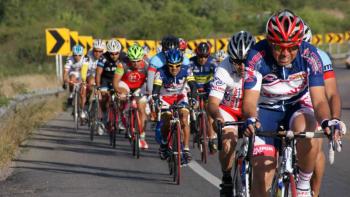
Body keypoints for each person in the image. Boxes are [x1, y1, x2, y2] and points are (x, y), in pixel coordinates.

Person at [242, 10, 343, 197]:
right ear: (270, 43)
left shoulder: (310, 55)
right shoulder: (256, 55)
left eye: (292, 47)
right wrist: (250, 118)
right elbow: (249, 101)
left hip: (295, 105)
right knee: (261, 178)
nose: (285, 53)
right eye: (279, 47)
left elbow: (319, 100)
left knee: (309, 127)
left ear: (300, 43)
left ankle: (304, 184)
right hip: (265, 109)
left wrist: (328, 121)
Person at [208, 31, 255, 197]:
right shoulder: (223, 69)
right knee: (229, 141)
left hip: (253, 110)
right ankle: (227, 177)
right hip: (229, 111)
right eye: (237, 62)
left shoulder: (261, 66)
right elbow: (213, 103)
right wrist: (218, 117)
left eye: (246, 62)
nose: (242, 67)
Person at [302, 23, 346, 197]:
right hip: (291, 101)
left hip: (314, 101)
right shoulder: (283, 56)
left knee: (316, 145)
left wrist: (334, 118)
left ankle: (315, 192)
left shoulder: (320, 57)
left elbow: (332, 93)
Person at [152, 48, 197, 163]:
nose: (174, 69)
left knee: (184, 118)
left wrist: (193, 98)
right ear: (167, 64)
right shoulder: (160, 72)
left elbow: (193, 86)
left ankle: (186, 149)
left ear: (181, 64)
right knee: (166, 119)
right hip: (165, 97)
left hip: (180, 96)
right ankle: (164, 144)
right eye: (171, 66)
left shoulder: (187, 70)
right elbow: (155, 90)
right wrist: (156, 99)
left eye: (177, 66)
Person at [113, 44, 149, 149]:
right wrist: (120, 92)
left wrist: (150, 93)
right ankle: (122, 114)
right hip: (125, 85)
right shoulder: (122, 64)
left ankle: (142, 136)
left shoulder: (147, 65)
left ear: (142, 58)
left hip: (140, 87)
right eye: (133, 61)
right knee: (122, 96)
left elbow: (151, 81)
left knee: (142, 110)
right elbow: (115, 82)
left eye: (138, 60)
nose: (136, 63)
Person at [189, 41, 218, 154]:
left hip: (207, 86)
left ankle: (211, 140)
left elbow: (217, 78)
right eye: (200, 56)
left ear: (209, 55)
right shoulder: (191, 62)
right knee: (193, 104)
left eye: (205, 56)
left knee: (210, 112)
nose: (202, 59)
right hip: (194, 86)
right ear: (196, 54)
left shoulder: (213, 62)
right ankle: (193, 121)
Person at [96, 39, 123, 134]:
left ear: (120, 52)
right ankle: (103, 117)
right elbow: (98, 73)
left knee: (121, 97)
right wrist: (98, 87)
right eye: (112, 54)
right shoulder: (103, 57)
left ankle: (120, 119)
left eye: (116, 53)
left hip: (119, 79)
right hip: (105, 79)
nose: (114, 56)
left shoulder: (124, 57)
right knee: (104, 97)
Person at [63, 45, 90, 113]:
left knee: (83, 93)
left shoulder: (85, 58)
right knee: (72, 78)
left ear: (82, 54)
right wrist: (65, 81)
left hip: (83, 72)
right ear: (73, 54)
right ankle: (71, 94)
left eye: (79, 55)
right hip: (74, 72)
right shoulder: (70, 59)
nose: (77, 57)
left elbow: (84, 71)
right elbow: (66, 71)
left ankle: (83, 109)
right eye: (75, 55)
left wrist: (83, 81)